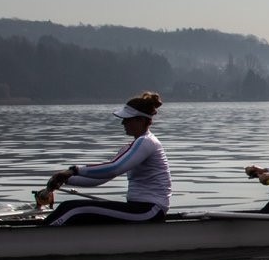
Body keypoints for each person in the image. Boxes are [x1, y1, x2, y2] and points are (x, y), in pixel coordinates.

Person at [36, 92, 173, 225]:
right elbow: (101, 178)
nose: (123, 123)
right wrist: (64, 180)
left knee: (73, 208)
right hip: (138, 207)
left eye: (127, 119)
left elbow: (113, 169)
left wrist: (73, 170)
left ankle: (37, 240)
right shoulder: (132, 147)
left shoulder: (147, 142)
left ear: (141, 120)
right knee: (70, 209)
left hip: (150, 210)